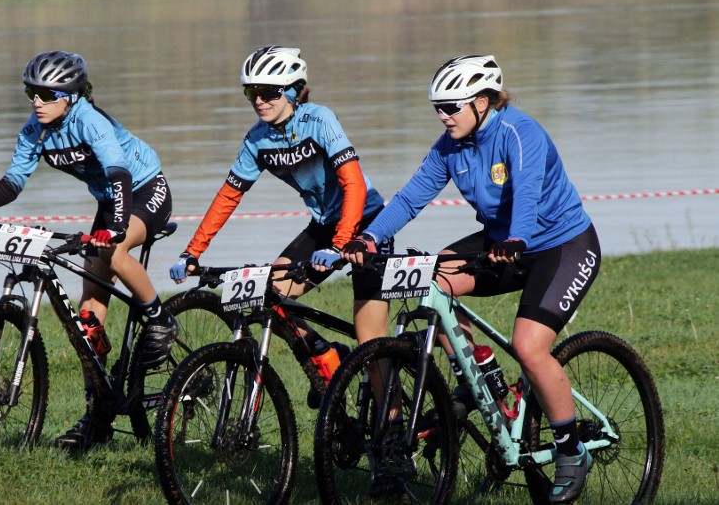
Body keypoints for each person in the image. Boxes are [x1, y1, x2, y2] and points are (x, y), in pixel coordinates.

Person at [343, 55, 601, 503]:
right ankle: (481, 379)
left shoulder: (520, 133)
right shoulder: (450, 145)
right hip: (503, 244)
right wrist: (368, 237)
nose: (443, 116)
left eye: (451, 106)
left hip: (561, 245)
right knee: (430, 281)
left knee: (529, 346)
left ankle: (570, 448)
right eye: (437, 108)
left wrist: (517, 237)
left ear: (483, 101)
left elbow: (527, 191)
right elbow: (408, 199)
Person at [0, 50, 178, 450]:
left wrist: (116, 228)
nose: (37, 102)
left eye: (47, 95)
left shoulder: (91, 120)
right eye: (31, 93)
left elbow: (118, 174)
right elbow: (13, 182)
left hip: (144, 190)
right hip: (111, 202)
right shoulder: (35, 130)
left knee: (116, 255)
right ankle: (98, 415)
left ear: (69, 95)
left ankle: (159, 318)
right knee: (88, 320)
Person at [169, 45, 393, 403]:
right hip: (322, 225)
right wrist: (191, 251)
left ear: (292, 91)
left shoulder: (320, 120)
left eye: (268, 92)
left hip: (365, 224)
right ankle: (326, 360)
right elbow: (228, 196)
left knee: (371, 343)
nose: (259, 100)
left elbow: (354, 184)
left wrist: (340, 244)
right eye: (251, 93)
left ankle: (393, 435)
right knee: (270, 296)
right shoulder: (258, 138)